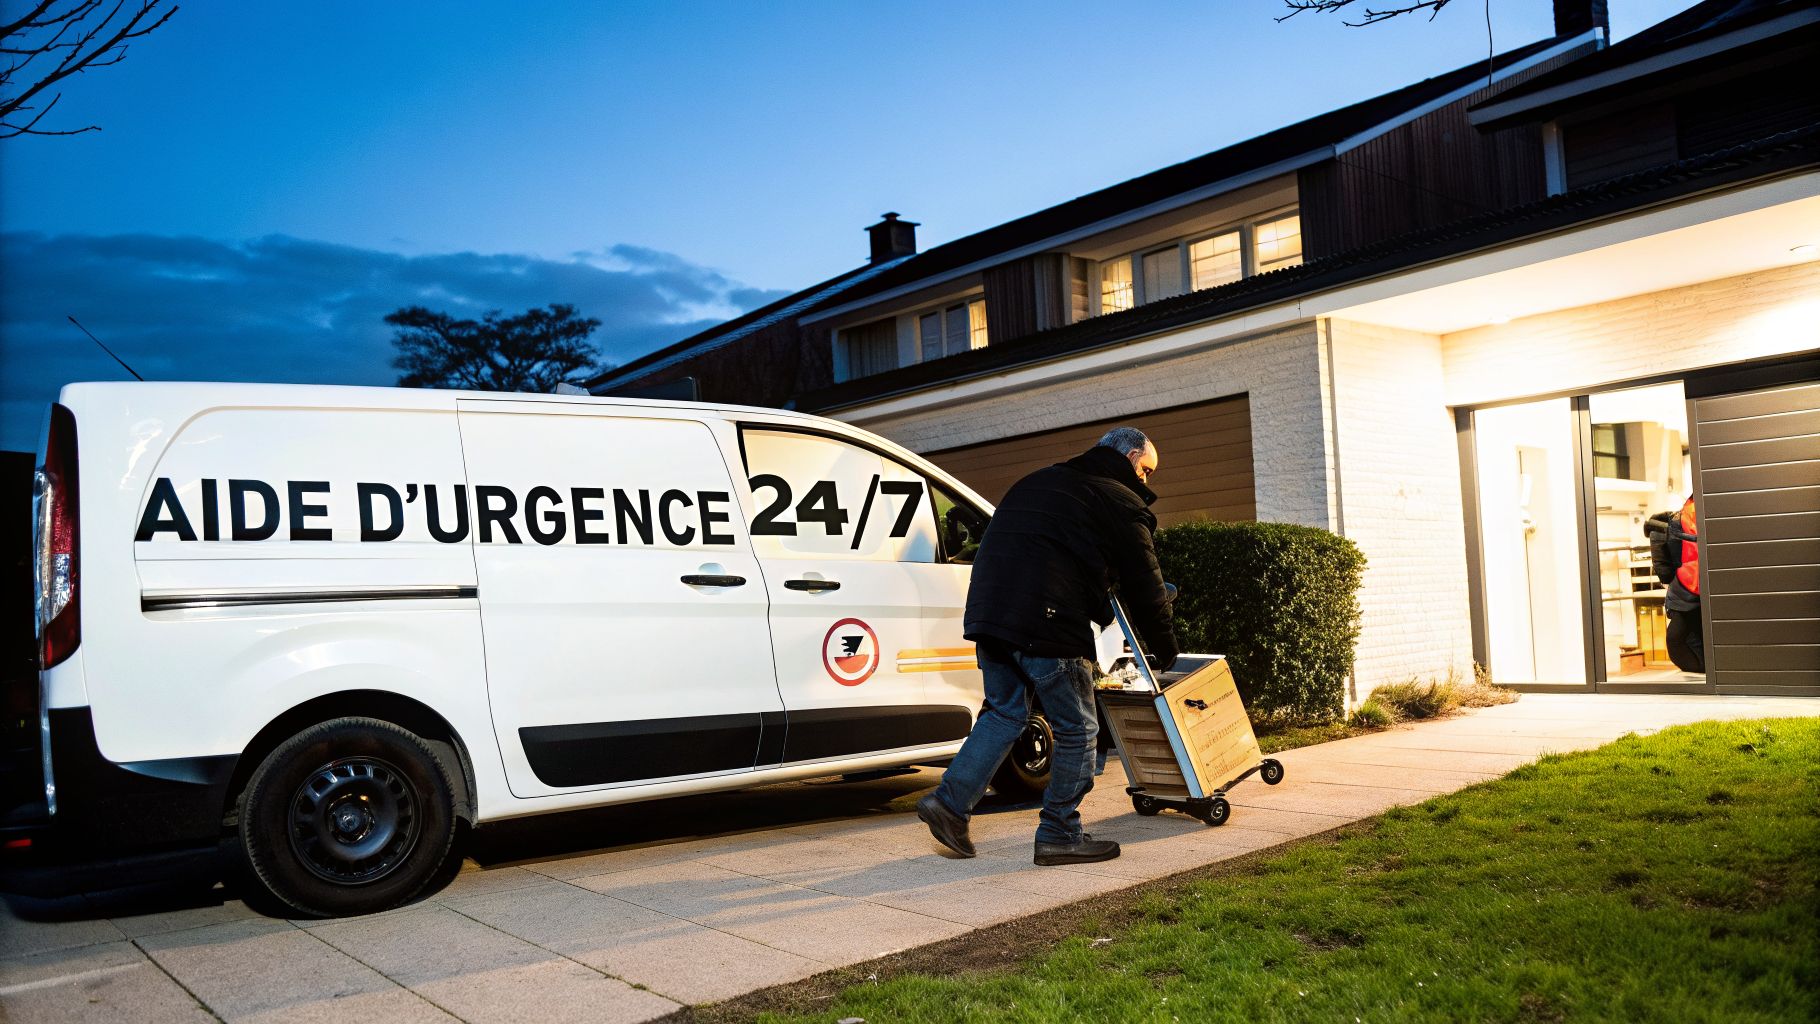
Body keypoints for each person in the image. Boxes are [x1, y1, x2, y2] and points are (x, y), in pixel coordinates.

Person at [917, 426, 1179, 866]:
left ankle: (949, 804)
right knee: (1079, 729)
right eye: (1147, 470)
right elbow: (1145, 582)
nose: (1147, 481)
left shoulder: (1040, 481)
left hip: (991, 616)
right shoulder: (1117, 498)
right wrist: (1165, 644)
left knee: (1005, 713)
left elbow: (1045, 556)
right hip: (1047, 622)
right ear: (1132, 457)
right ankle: (1060, 832)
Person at [1664, 494, 1703, 673]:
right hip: (1688, 584)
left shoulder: (1683, 515)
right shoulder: (1684, 515)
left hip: (1686, 584)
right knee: (1682, 638)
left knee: (1678, 639)